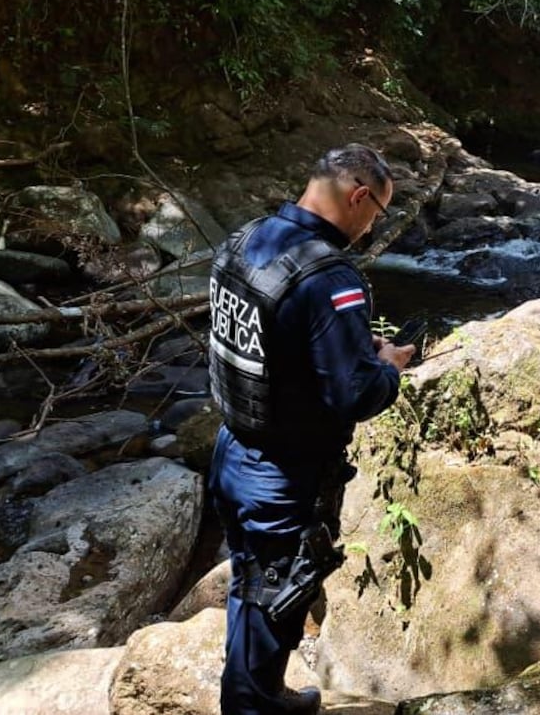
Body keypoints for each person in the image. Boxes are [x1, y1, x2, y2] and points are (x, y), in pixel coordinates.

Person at [208, 145, 414, 715]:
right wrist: (387, 367)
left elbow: (270, 341)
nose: (372, 227)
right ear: (357, 196)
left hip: (232, 450)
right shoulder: (329, 276)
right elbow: (354, 394)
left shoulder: (245, 239)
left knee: (252, 582)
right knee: (277, 592)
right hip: (281, 469)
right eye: (376, 214)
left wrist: (348, 349)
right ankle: (253, 704)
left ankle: (257, 692)